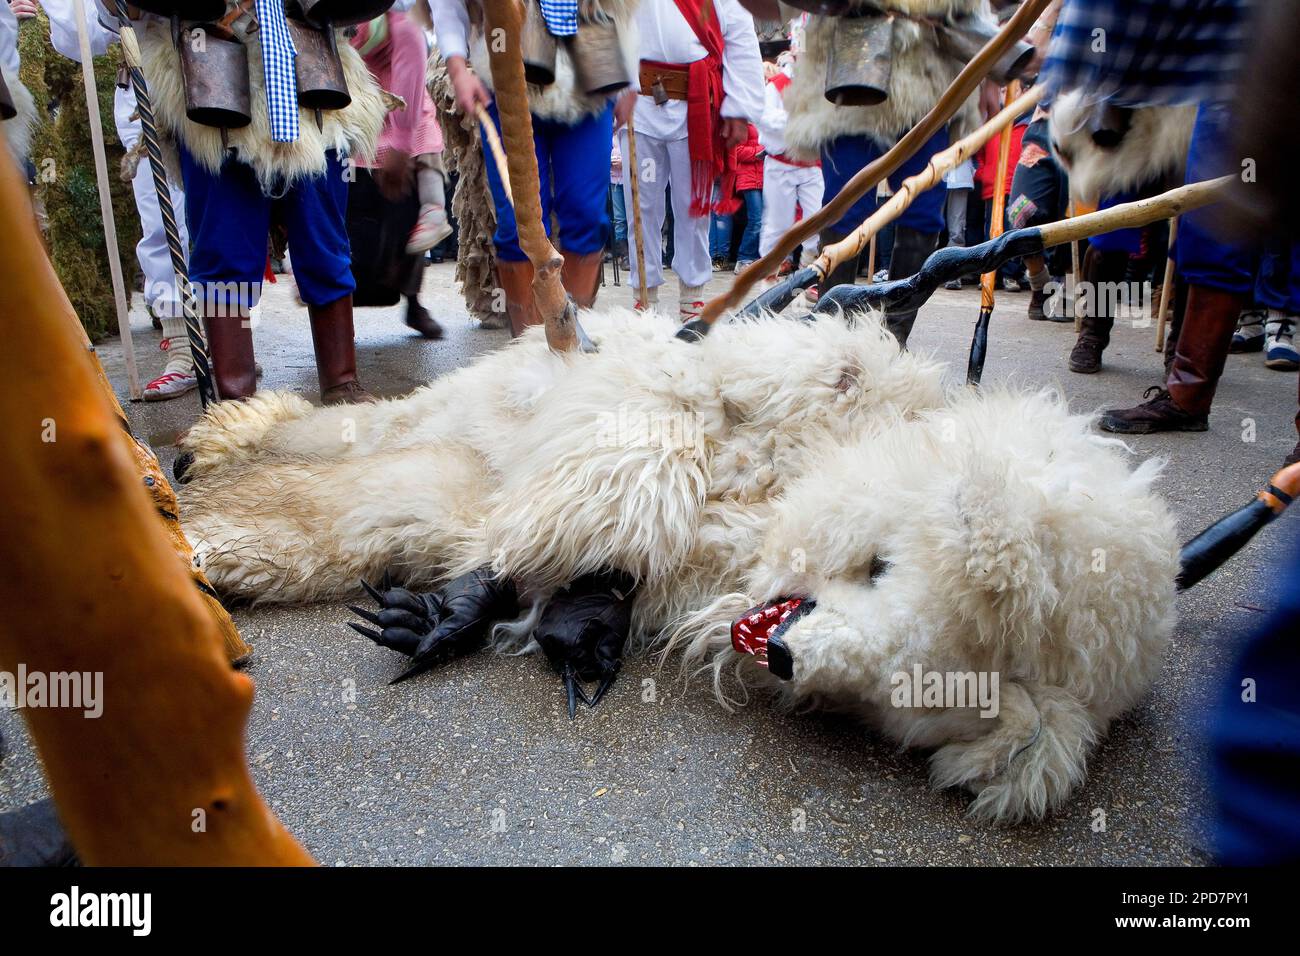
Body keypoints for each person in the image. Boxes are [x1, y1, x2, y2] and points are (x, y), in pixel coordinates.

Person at [120, 1, 386, 405]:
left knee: (324, 240)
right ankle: (236, 403)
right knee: (224, 247)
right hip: (209, 73)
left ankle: (341, 385)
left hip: (314, 73)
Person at [775, 0, 1006, 346]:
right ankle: (831, 338)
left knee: (923, 215)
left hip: (928, 79)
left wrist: (991, 70)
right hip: (846, 72)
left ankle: (892, 338)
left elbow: (972, 9)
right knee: (844, 209)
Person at [431, 0, 634, 333]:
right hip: (507, 68)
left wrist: (631, 80)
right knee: (516, 220)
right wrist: (457, 68)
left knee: (585, 214)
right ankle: (528, 346)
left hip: (594, 63)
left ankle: (571, 341)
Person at [36, 0, 198, 401]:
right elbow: (81, 40)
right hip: (146, 90)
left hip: (218, 75)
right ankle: (184, 349)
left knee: (225, 222)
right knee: (164, 221)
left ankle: (233, 343)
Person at [616, 0, 764, 320]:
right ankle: (645, 299)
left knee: (693, 207)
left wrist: (738, 107)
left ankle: (692, 298)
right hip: (638, 101)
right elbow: (605, 21)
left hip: (696, 104)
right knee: (640, 207)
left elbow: (739, 33)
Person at [350, 9, 448, 339]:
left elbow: (410, 80)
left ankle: (414, 302)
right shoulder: (333, 21)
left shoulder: (402, 24)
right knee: (358, 230)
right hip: (358, 123)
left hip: (407, 123)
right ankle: (336, 312)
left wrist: (402, 144)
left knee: (409, 229)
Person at [757, 49, 820, 276]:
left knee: (818, 221)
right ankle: (767, 278)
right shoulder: (776, 85)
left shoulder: (820, 84)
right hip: (780, 163)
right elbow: (763, 118)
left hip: (812, 165)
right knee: (777, 225)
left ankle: (807, 275)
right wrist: (797, 121)